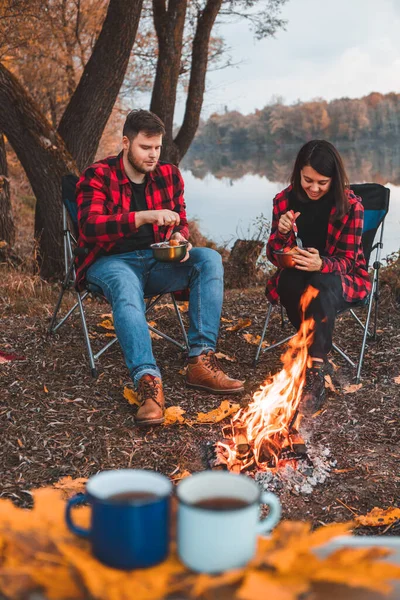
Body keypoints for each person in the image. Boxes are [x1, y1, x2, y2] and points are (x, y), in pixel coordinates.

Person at [75, 109, 244, 426]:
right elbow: (89, 228)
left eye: (157, 148)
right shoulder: (97, 176)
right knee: (125, 287)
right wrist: (143, 216)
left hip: (156, 260)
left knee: (208, 258)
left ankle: (200, 361)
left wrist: (180, 237)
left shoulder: (169, 175)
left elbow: (178, 219)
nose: (153, 155)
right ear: (126, 143)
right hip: (110, 262)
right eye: (144, 147)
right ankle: (148, 383)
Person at [266, 140, 371, 410]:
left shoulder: (350, 206)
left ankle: (316, 368)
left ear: (334, 179)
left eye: (322, 182)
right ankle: (313, 348)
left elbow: (349, 261)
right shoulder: (283, 200)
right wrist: (283, 233)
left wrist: (321, 264)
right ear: (298, 173)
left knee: (321, 281)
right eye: (307, 180)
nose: (313, 188)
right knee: (288, 280)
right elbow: (273, 255)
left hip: (339, 277)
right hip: (298, 274)